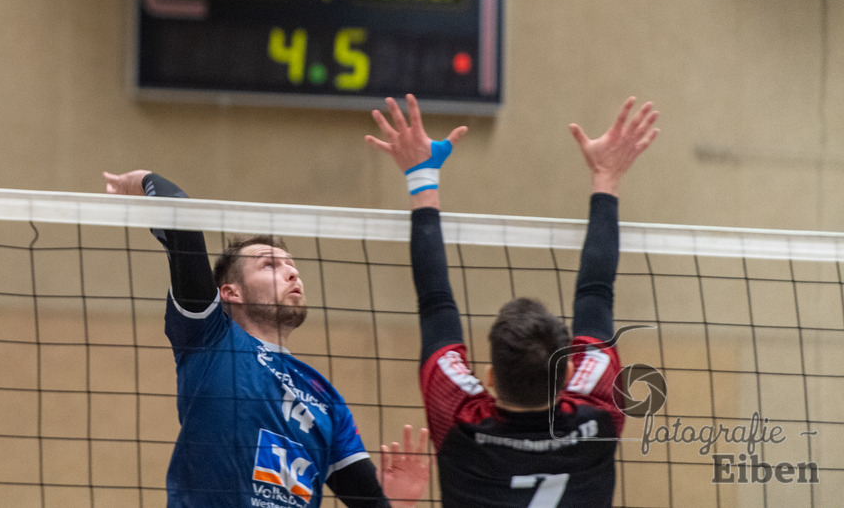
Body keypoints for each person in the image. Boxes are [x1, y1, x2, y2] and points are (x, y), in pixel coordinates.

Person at [366, 94, 659, 507]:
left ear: (488, 377)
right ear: (570, 370)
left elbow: (435, 305)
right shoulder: (599, 414)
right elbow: (596, 296)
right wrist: (606, 178)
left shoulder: (461, 421)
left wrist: (422, 178)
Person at [103, 170, 430, 508]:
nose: (292, 272)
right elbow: (182, 221)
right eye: (269, 265)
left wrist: (398, 505)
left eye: (291, 265)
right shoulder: (210, 337)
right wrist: (142, 180)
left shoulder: (327, 399)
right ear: (230, 292)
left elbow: (372, 503)